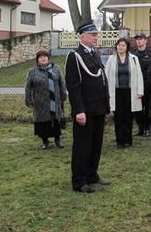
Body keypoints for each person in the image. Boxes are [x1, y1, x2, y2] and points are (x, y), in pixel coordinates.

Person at [65, 22, 110, 193]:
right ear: (82, 37)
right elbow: (73, 86)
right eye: (92, 35)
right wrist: (79, 110)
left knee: (96, 144)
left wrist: (106, 106)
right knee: (82, 146)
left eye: (96, 35)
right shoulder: (74, 56)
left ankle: (92, 174)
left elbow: (102, 81)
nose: (95, 38)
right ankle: (79, 180)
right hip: (85, 110)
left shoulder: (95, 54)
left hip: (98, 107)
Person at [105, 38, 144, 149]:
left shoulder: (134, 59)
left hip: (130, 92)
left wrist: (140, 91)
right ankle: (119, 141)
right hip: (116, 92)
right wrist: (106, 92)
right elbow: (106, 76)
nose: (120, 47)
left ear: (127, 47)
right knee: (118, 117)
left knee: (128, 116)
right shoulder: (111, 59)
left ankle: (128, 140)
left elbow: (139, 75)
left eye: (123, 45)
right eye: (119, 45)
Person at [25, 50, 67, 149]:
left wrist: (63, 96)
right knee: (42, 123)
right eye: (41, 57)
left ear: (48, 58)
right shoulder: (32, 71)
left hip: (55, 101)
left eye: (45, 56)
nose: (43, 58)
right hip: (40, 103)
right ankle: (45, 141)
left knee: (56, 121)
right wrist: (29, 100)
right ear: (37, 60)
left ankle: (58, 140)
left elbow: (62, 83)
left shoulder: (56, 69)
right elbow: (28, 87)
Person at [131, 33, 151, 137]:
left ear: (145, 41)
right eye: (137, 39)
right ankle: (140, 128)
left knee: (148, 106)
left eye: (141, 39)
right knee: (137, 107)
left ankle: (147, 128)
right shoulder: (132, 54)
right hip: (136, 84)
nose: (139, 41)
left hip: (147, 84)